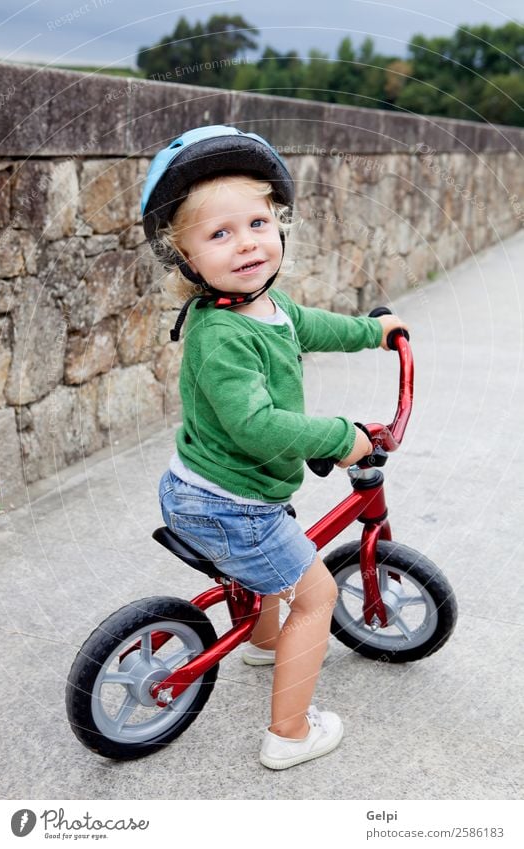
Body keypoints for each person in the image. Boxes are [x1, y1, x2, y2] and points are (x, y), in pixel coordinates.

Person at [141, 125, 408, 770]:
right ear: (185, 257)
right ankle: (289, 733)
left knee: (272, 559)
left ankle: (263, 644)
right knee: (314, 595)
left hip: (226, 491)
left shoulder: (265, 303)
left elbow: (308, 323)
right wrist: (339, 438)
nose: (246, 244)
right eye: (219, 234)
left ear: (279, 224)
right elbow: (256, 427)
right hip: (224, 502)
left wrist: (371, 334)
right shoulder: (220, 335)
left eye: (257, 222)